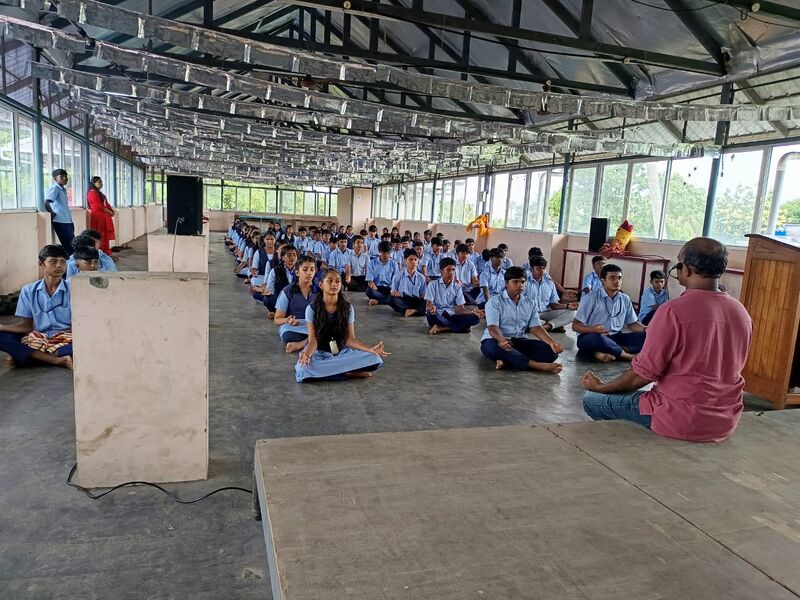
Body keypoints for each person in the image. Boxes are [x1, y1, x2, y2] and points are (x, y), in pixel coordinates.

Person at [581, 238, 753, 443]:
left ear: (687, 269)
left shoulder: (673, 310)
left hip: (679, 417)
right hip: (725, 420)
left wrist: (601, 387)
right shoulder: (741, 312)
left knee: (591, 400)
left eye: (678, 264)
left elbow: (641, 376)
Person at [296, 269, 389, 382]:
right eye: (329, 281)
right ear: (321, 285)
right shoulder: (311, 308)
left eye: (338, 281)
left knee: (375, 358)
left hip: (341, 353)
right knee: (303, 370)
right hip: (319, 353)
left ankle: (332, 372)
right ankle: (347, 373)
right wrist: (307, 355)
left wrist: (370, 349)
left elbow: (349, 338)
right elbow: (312, 339)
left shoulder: (348, 308)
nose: (334, 284)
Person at [0, 245, 73, 369]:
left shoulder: (74, 289)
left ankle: (29, 356)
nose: (59, 266)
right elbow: (27, 326)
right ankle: (56, 360)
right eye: (53, 261)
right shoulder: (28, 291)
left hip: (67, 337)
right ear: (41, 264)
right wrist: (2, 327)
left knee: (87, 343)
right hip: (37, 336)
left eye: (62, 262)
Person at [479, 266, 563, 373]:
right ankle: (536, 365)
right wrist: (501, 340)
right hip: (496, 340)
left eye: (523, 282)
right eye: (515, 282)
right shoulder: (494, 302)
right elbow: (492, 327)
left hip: (519, 341)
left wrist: (552, 343)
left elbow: (536, 327)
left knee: (551, 352)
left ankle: (508, 360)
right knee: (493, 349)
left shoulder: (529, 302)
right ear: (506, 283)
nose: (520, 285)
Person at [573, 264, 647, 362]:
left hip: (615, 337)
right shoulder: (590, 298)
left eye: (619, 278)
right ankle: (626, 355)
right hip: (592, 336)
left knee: (647, 336)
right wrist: (593, 329)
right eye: (612, 278)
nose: (617, 281)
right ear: (602, 280)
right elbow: (575, 326)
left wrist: (647, 329)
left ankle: (606, 351)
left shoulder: (625, 299)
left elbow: (632, 324)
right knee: (598, 339)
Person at [425, 258, 483, 335]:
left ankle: (442, 328)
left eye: (453, 270)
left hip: (451, 315)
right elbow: (428, 305)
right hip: (437, 314)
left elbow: (461, 310)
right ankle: (459, 327)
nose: (451, 273)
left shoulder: (457, 287)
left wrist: (473, 311)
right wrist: (432, 307)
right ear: (441, 272)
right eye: (448, 270)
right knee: (432, 314)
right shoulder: (433, 284)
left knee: (476, 318)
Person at [274, 256, 318, 354]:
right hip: (296, 327)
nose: (309, 273)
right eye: (305, 270)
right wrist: (287, 320)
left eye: (312, 269)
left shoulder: (320, 291)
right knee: (288, 336)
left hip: (315, 326)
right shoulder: (287, 291)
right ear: (297, 272)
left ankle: (302, 344)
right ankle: (315, 341)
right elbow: (277, 319)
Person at [525, 256, 578, 332]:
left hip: (546, 313)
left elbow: (553, 305)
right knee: (531, 320)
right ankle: (553, 325)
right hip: (530, 314)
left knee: (572, 313)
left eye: (543, 268)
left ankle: (546, 327)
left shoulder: (550, 283)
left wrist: (568, 305)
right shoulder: (525, 283)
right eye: (538, 269)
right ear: (531, 270)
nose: (542, 271)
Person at [389, 249, 428, 317]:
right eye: (410, 259)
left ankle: (411, 311)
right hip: (403, 299)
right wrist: (395, 293)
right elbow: (393, 292)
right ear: (405, 260)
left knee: (427, 302)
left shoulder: (421, 277)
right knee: (391, 299)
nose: (413, 262)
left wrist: (425, 297)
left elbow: (423, 294)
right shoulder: (398, 275)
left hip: (415, 300)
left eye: (415, 260)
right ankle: (413, 310)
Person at [45, 169, 75, 254]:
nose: (65, 178)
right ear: (55, 179)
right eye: (62, 177)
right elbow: (47, 202)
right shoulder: (55, 188)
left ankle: (72, 263)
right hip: (60, 220)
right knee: (68, 245)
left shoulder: (63, 189)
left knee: (72, 243)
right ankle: (70, 264)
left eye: (66, 176)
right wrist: (52, 213)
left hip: (67, 219)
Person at [263, 245, 298, 316]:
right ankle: (285, 313)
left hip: (296, 300)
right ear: (282, 257)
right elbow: (270, 289)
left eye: (294, 255)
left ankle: (279, 314)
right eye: (289, 255)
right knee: (267, 299)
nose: (292, 257)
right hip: (280, 299)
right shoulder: (275, 271)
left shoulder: (300, 270)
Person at [86, 176, 116, 255]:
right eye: (99, 182)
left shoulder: (101, 194)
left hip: (104, 216)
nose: (101, 183)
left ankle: (105, 252)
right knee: (99, 234)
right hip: (97, 216)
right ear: (93, 183)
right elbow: (99, 206)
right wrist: (109, 212)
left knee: (105, 234)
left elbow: (107, 204)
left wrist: (111, 211)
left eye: (101, 182)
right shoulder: (92, 193)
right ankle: (98, 252)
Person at [365, 241, 397, 306]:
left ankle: (378, 301)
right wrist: (372, 284)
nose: (386, 255)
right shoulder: (372, 263)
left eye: (388, 253)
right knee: (368, 291)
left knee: (395, 296)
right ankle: (386, 300)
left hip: (389, 289)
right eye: (383, 253)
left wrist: (393, 290)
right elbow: (370, 280)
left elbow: (395, 280)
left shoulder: (394, 264)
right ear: (379, 252)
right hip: (377, 288)